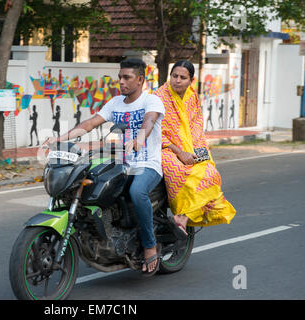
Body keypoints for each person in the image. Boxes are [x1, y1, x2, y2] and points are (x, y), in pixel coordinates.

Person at [44, 58, 165, 276]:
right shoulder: (115, 103)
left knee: (137, 192)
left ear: (140, 79)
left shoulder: (152, 101)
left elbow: (148, 122)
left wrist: (139, 139)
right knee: (89, 183)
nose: (121, 82)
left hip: (147, 163)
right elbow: (89, 124)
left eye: (127, 77)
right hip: (120, 163)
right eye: (120, 77)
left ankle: (149, 246)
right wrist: (60, 139)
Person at [153, 60, 236, 237]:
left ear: (191, 80)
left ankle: (183, 217)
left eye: (183, 77)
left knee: (211, 173)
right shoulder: (158, 97)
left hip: (191, 146)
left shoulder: (192, 96)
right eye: (174, 76)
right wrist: (179, 152)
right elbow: (155, 130)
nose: (177, 80)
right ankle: (182, 214)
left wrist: (197, 151)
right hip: (165, 147)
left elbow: (196, 125)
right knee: (178, 171)